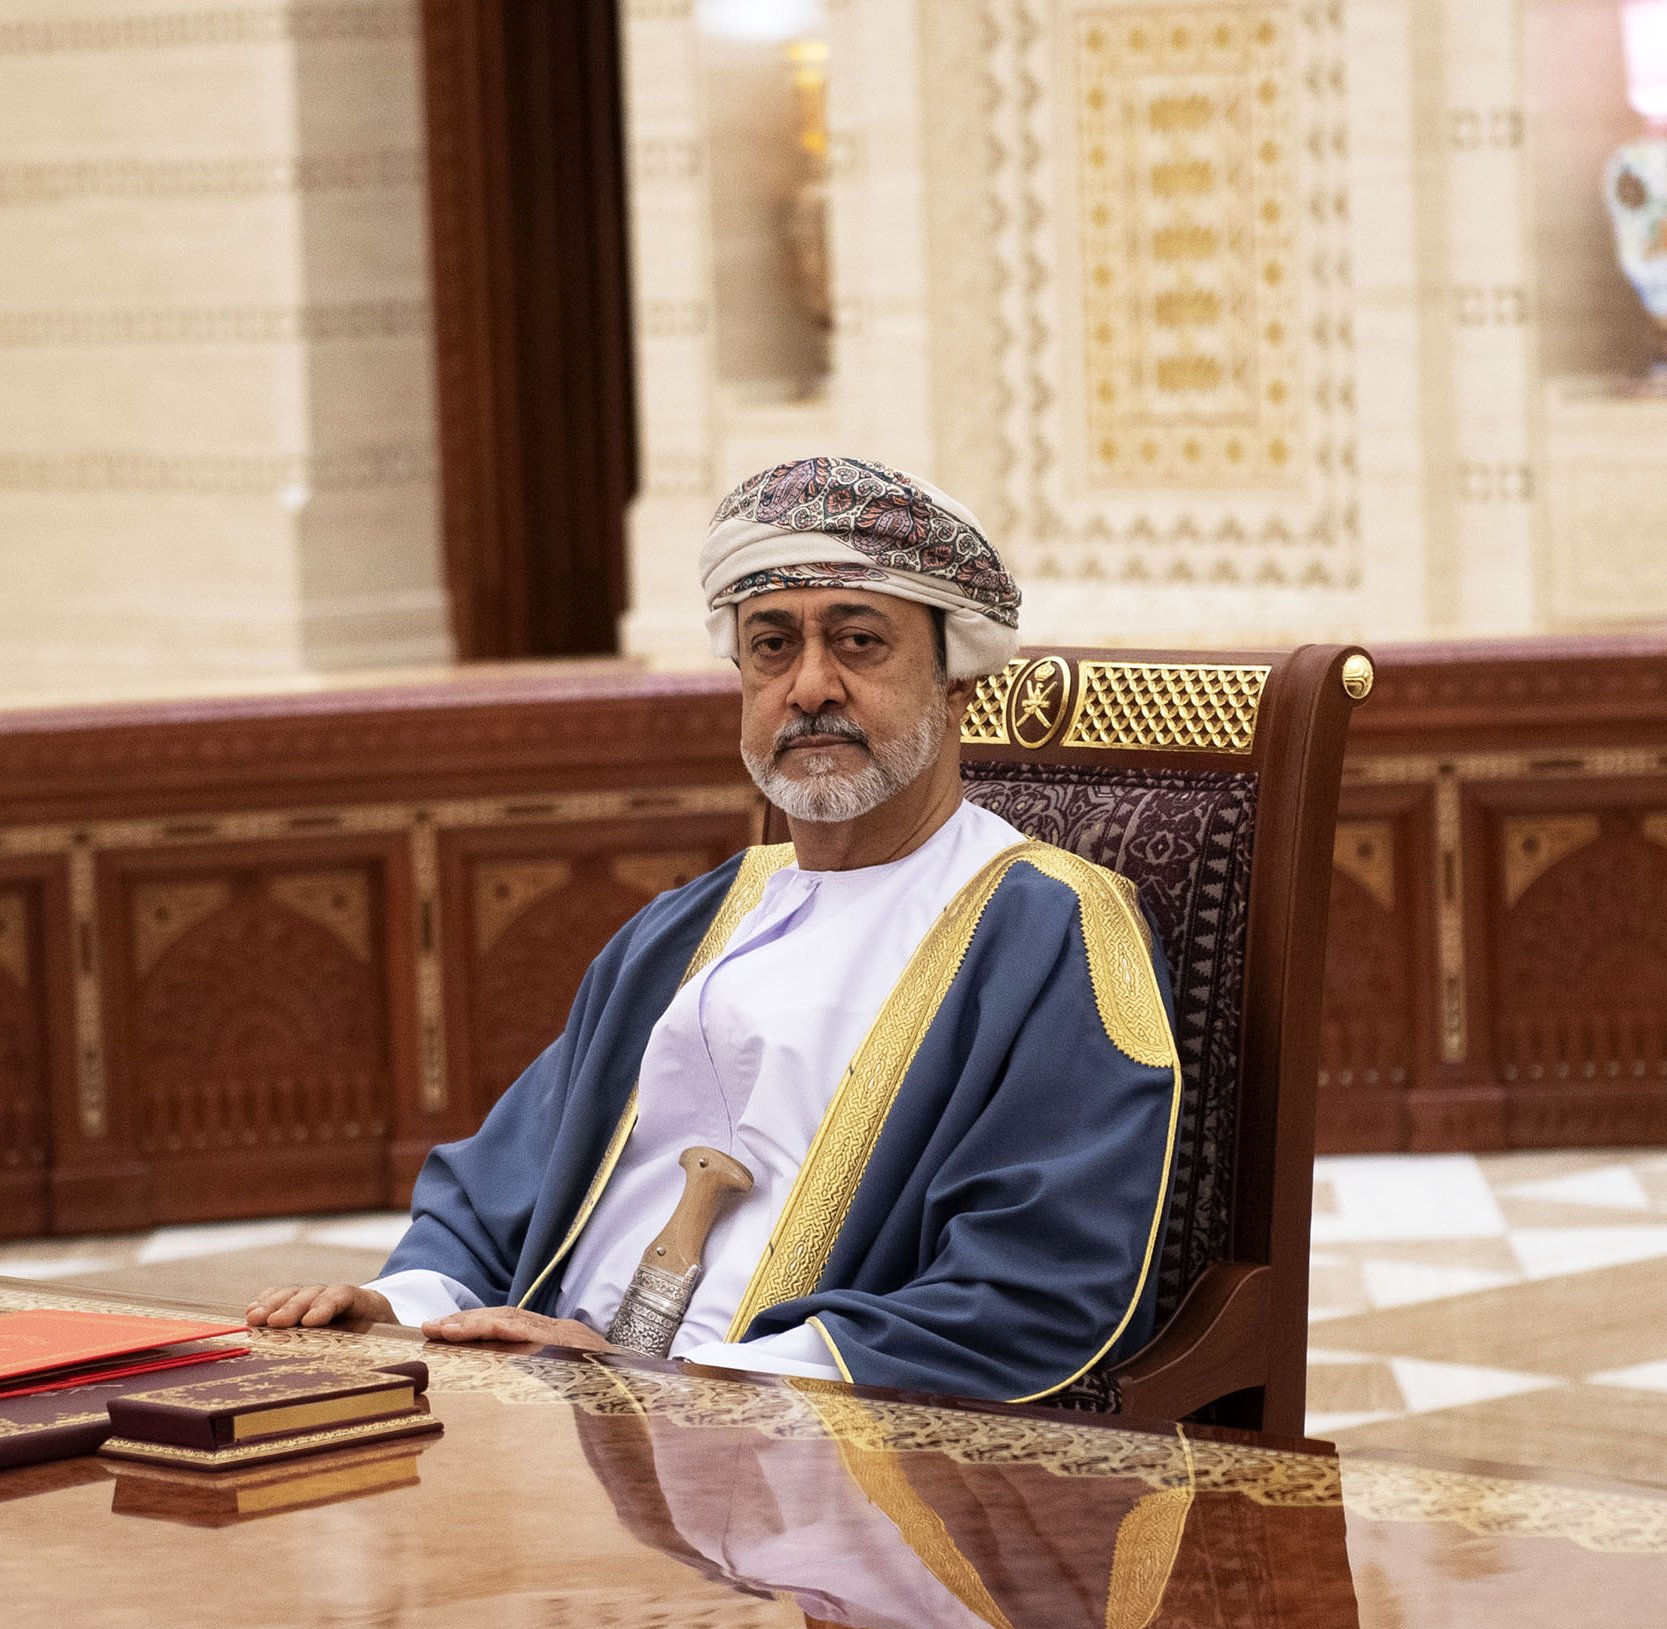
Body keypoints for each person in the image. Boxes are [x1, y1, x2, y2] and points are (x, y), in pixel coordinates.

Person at [248, 455, 1181, 1404]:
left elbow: (1037, 1285)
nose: (809, 687)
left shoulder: (1050, 931)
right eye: (771, 646)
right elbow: (496, 1187)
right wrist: (398, 1301)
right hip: (554, 1409)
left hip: (816, 1442)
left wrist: (678, 1382)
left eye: (858, 642)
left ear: (955, 681)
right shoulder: (689, 922)